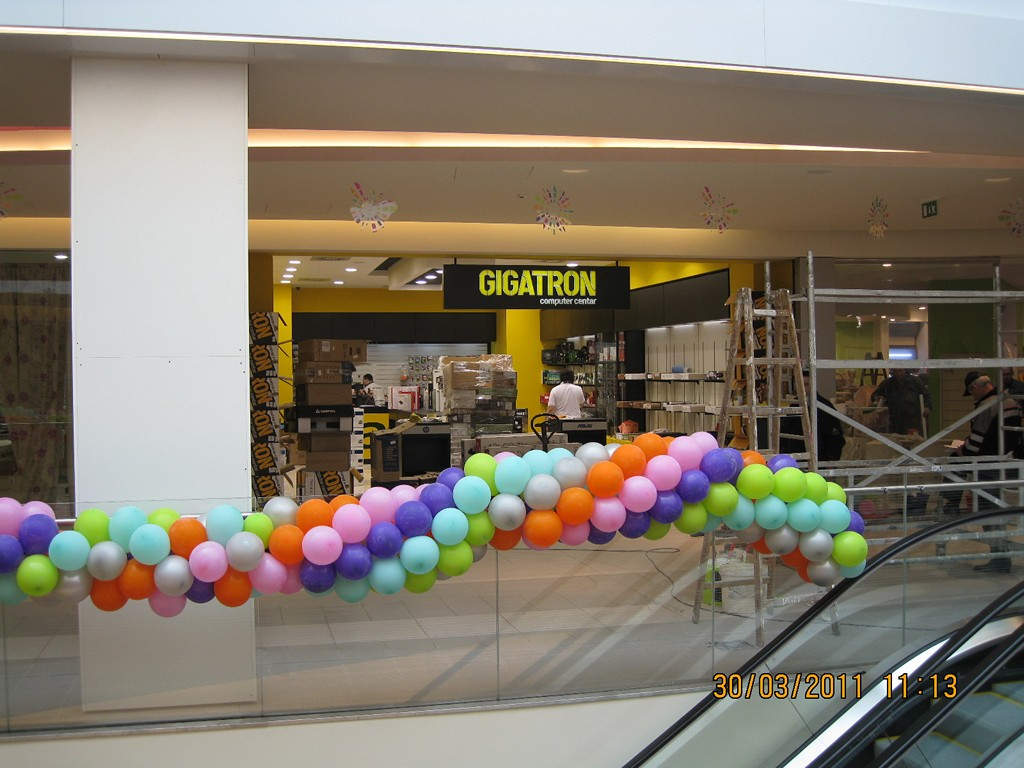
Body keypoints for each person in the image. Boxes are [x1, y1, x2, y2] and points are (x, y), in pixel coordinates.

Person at [951, 372, 1022, 573]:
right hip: (1008, 462)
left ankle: (1000, 559)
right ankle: (1002, 557)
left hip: (988, 466)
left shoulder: (986, 406)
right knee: (997, 511)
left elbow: (977, 441)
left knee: (988, 512)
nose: (972, 397)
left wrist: (961, 451)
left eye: (971, 392)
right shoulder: (1010, 401)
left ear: (975, 387)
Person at [778, 371, 846, 461]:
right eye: (799, 384)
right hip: (796, 459)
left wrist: (830, 459)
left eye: (806, 384)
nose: (802, 388)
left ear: (813, 385)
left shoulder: (824, 406)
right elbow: (785, 431)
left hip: (819, 459)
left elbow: (835, 436)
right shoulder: (794, 405)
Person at [870, 368, 932, 434]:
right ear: (893, 372)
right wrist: (877, 398)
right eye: (895, 371)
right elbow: (874, 395)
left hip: (912, 419)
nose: (898, 374)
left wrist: (927, 407)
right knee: (896, 438)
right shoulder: (887, 383)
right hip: (894, 421)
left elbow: (926, 395)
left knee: (912, 438)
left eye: (900, 370)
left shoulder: (915, 381)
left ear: (904, 370)